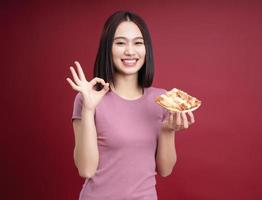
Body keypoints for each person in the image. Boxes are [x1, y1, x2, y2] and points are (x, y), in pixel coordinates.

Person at [66, 10, 195, 200]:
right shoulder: (88, 98)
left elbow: (165, 170)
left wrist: (168, 130)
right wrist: (88, 109)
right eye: (120, 43)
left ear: (146, 49)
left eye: (138, 43)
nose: (130, 51)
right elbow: (86, 169)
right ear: (107, 48)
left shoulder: (162, 100)